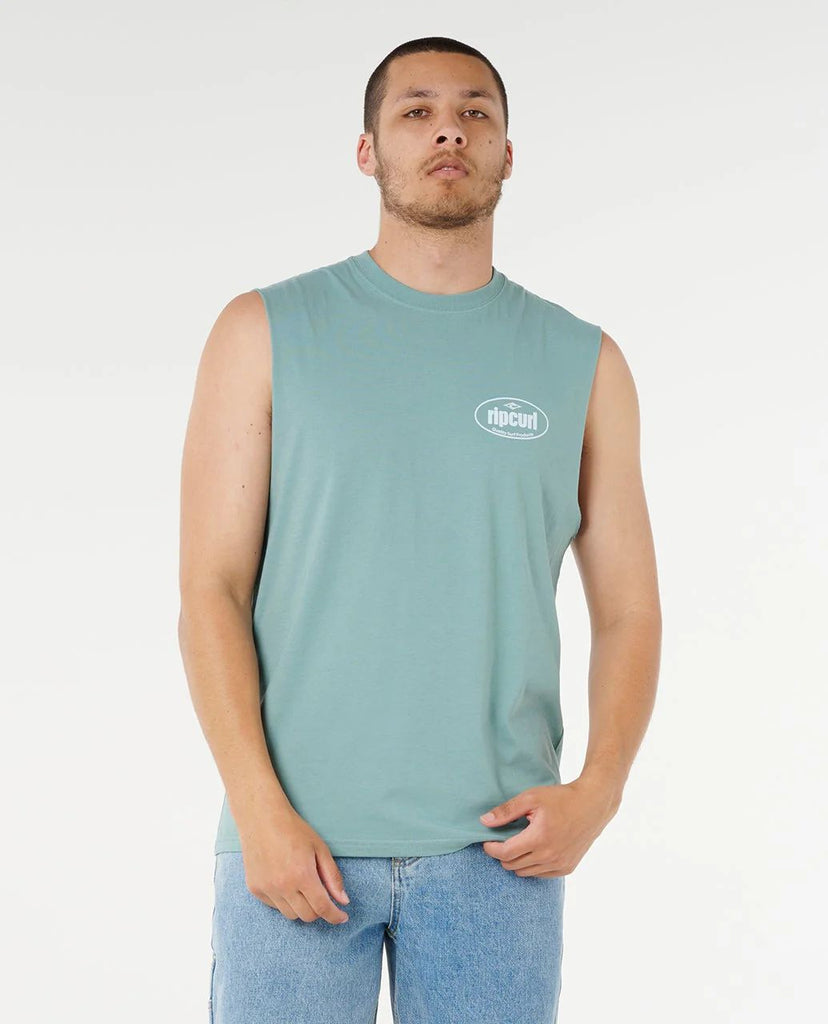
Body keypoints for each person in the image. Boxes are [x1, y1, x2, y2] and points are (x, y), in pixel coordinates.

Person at [178, 35, 661, 1024]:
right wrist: (258, 808)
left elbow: (631, 611)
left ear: (508, 152)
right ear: (367, 152)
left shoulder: (584, 362)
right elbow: (210, 590)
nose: (450, 129)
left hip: (498, 852)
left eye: (476, 111)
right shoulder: (262, 332)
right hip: (295, 845)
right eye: (417, 111)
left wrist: (600, 790)